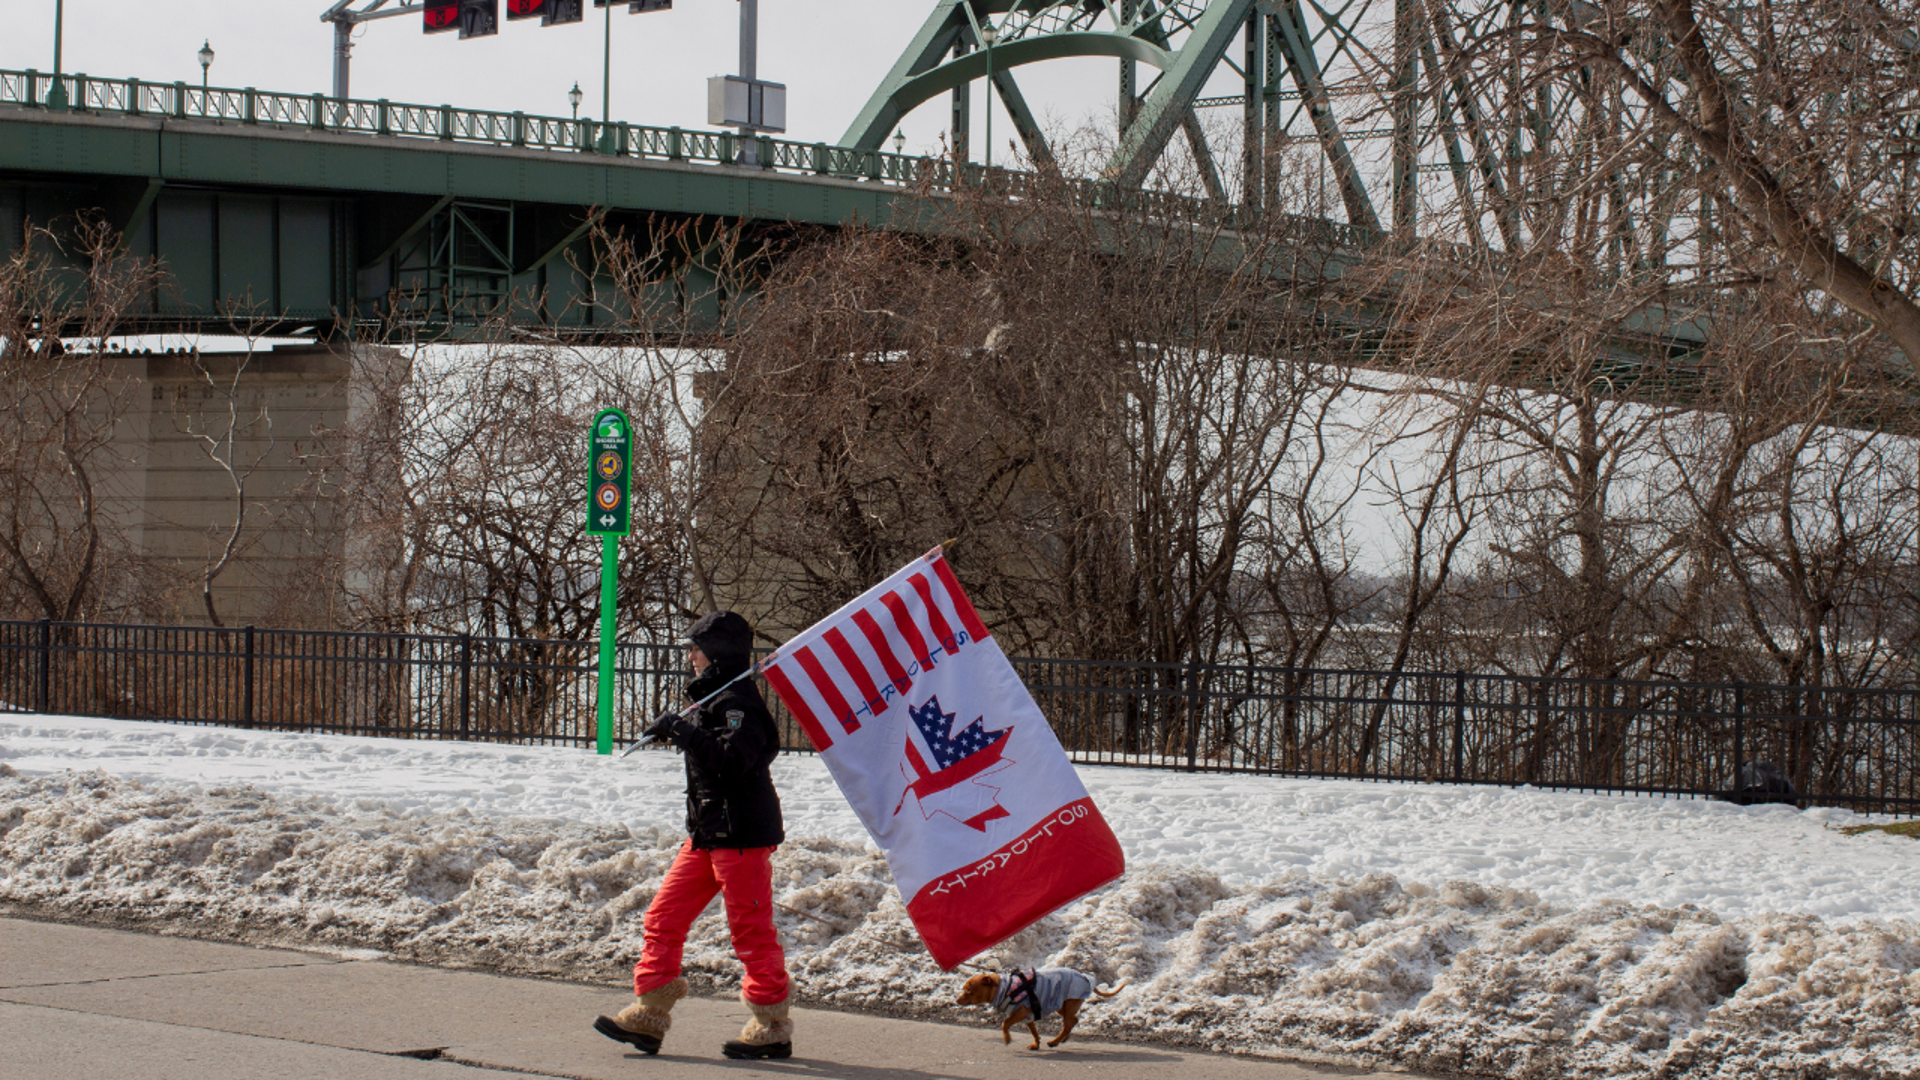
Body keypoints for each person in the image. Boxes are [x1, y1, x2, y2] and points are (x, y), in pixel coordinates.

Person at [592, 611, 794, 1060]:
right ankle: (649, 1015)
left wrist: (680, 731)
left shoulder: (738, 702)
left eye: (696, 649)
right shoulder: (714, 700)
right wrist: (682, 730)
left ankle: (772, 1024)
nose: (691, 656)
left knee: (751, 933)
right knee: (663, 918)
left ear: (717, 654)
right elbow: (713, 757)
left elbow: (732, 762)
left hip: (741, 835)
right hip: (707, 834)